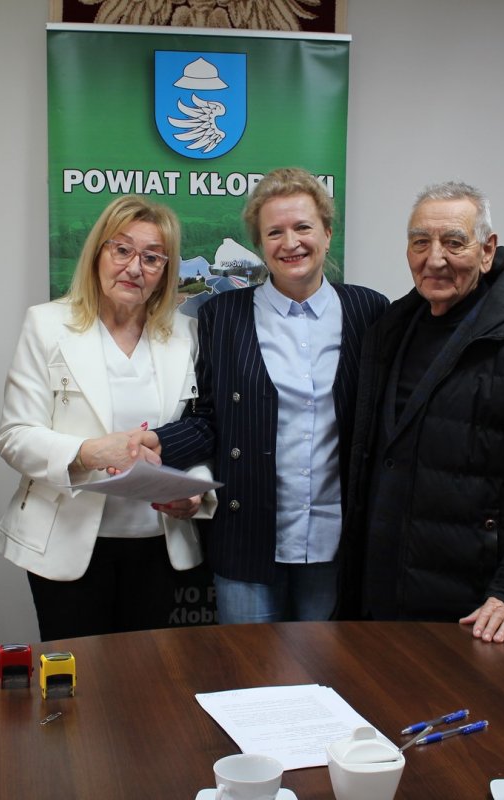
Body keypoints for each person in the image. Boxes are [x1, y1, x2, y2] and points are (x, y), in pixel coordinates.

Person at [338, 181, 504, 643]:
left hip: (475, 616)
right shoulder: (389, 332)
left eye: (454, 242)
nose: (435, 258)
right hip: (382, 607)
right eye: (420, 242)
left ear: (487, 250)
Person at [140, 167, 389, 623]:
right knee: (248, 667)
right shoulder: (222, 315)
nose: (290, 242)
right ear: (259, 244)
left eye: (303, 227)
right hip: (247, 536)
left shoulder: (368, 310)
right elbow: (209, 416)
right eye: (274, 232)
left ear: (328, 234)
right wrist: (159, 443)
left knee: (325, 666)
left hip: (337, 543)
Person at [0, 194, 215, 641]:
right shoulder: (46, 324)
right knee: (79, 676)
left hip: (159, 544)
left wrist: (194, 490)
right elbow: (15, 436)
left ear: (166, 271)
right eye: (122, 250)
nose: (135, 268)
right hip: (68, 541)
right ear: (98, 253)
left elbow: (201, 429)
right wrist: (88, 452)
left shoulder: (187, 335)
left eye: (152, 258)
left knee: (146, 675)